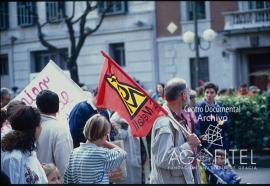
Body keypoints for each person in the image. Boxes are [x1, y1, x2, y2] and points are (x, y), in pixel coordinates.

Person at [150, 77, 201, 184]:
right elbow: (164, 159)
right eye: (188, 92)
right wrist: (189, 145)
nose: (190, 97)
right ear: (183, 95)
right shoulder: (164, 123)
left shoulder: (178, 118)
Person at [64, 114, 127, 184]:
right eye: (106, 134)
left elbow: (68, 180)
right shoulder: (101, 154)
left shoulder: (74, 153)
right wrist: (105, 142)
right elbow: (123, 153)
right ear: (103, 135)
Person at [1, 106, 48, 184]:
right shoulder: (13, 158)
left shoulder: (30, 151)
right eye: (39, 125)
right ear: (35, 129)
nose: (41, 128)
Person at [35, 90, 73, 176]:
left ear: (38, 107)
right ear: (58, 106)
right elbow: (65, 165)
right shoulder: (60, 129)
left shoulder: (30, 126)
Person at [111, 112, 150, 184]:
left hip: (141, 151)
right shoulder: (115, 118)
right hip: (130, 155)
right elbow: (118, 137)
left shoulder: (136, 113)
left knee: (142, 176)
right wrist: (124, 126)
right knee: (132, 178)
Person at [195, 82, 231, 153]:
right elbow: (195, 124)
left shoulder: (220, 106)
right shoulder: (199, 106)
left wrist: (222, 122)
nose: (209, 95)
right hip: (204, 141)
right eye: (207, 92)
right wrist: (200, 135)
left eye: (212, 92)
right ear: (204, 93)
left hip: (219, 141)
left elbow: (228, 122)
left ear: (216, 93)